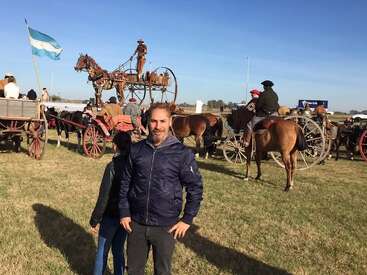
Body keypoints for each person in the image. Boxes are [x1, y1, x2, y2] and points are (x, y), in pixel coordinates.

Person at [119, 103, 203, 275]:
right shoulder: (137, 150)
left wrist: (187, 219)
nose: (158, 126)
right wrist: (124, 211)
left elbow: (195, 187)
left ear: (170, 122)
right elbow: (125, 182)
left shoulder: (182, 154)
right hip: (136, 223)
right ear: (148, 122)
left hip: (166, 225)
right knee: (134, 270)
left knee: (162, 271)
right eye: (154, 121)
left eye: (162, 121)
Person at [90, 132, 132, 275]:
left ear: (115, 146)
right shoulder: (134, 166)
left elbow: (104, 196)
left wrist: (95, 219)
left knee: (102, 251)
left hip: (111, 216)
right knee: (119, 250)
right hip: (126, 216)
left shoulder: (112, 166)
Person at [243, 80, 279, 147]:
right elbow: (277, 105)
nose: (263, 87)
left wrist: (257, 110)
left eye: (263, 86)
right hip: (275, 114)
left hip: (264, 114)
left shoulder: (263, 94)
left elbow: (258, 105)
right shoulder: (275, 94)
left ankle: (247, 142)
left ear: (265, 86)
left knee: (249, 124)